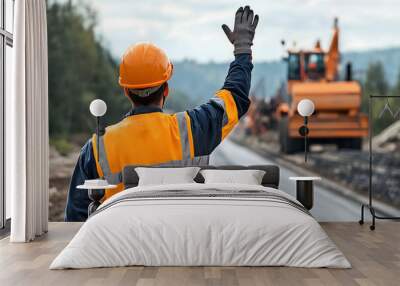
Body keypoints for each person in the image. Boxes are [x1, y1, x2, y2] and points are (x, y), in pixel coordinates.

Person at [65, 6, 259, 221]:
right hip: (183, 244)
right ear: (165, 90)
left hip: (121, 248)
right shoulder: (191, 129)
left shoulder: (97, 148)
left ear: (126, 91)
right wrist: (242, 50)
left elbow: (76, 219)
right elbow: (235, 96)